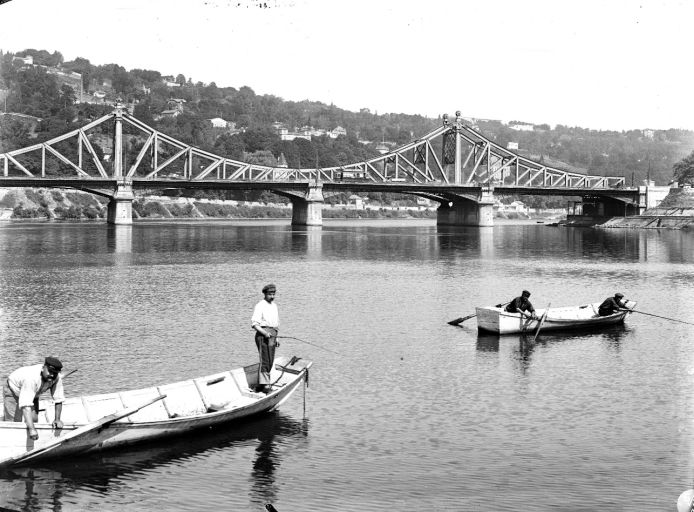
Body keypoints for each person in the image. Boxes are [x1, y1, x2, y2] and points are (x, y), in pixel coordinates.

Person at [3, 357, 65, 440]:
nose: (52, 375)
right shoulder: (31, 378)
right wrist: (32, 430)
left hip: (34, 392)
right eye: (50, 372)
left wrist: (57, 419)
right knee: (14, 423)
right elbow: (26, 405)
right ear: (43, 368)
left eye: (55, 373)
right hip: (13, 389)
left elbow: (58, 399)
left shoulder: (56, 378)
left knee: (34, 420)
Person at [251, 284, 279, 394]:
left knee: (270, 360)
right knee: (265, 360)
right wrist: (265, 333)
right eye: (270, 294)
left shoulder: (274, 306)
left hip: (273, 335)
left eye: (273, 294)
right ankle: (266, 385)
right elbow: (254, 324)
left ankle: (260, 384)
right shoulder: (260, 305)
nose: (272, 296)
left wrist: (276, 338)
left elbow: (276, 324)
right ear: (265, 294)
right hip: (263, 335)